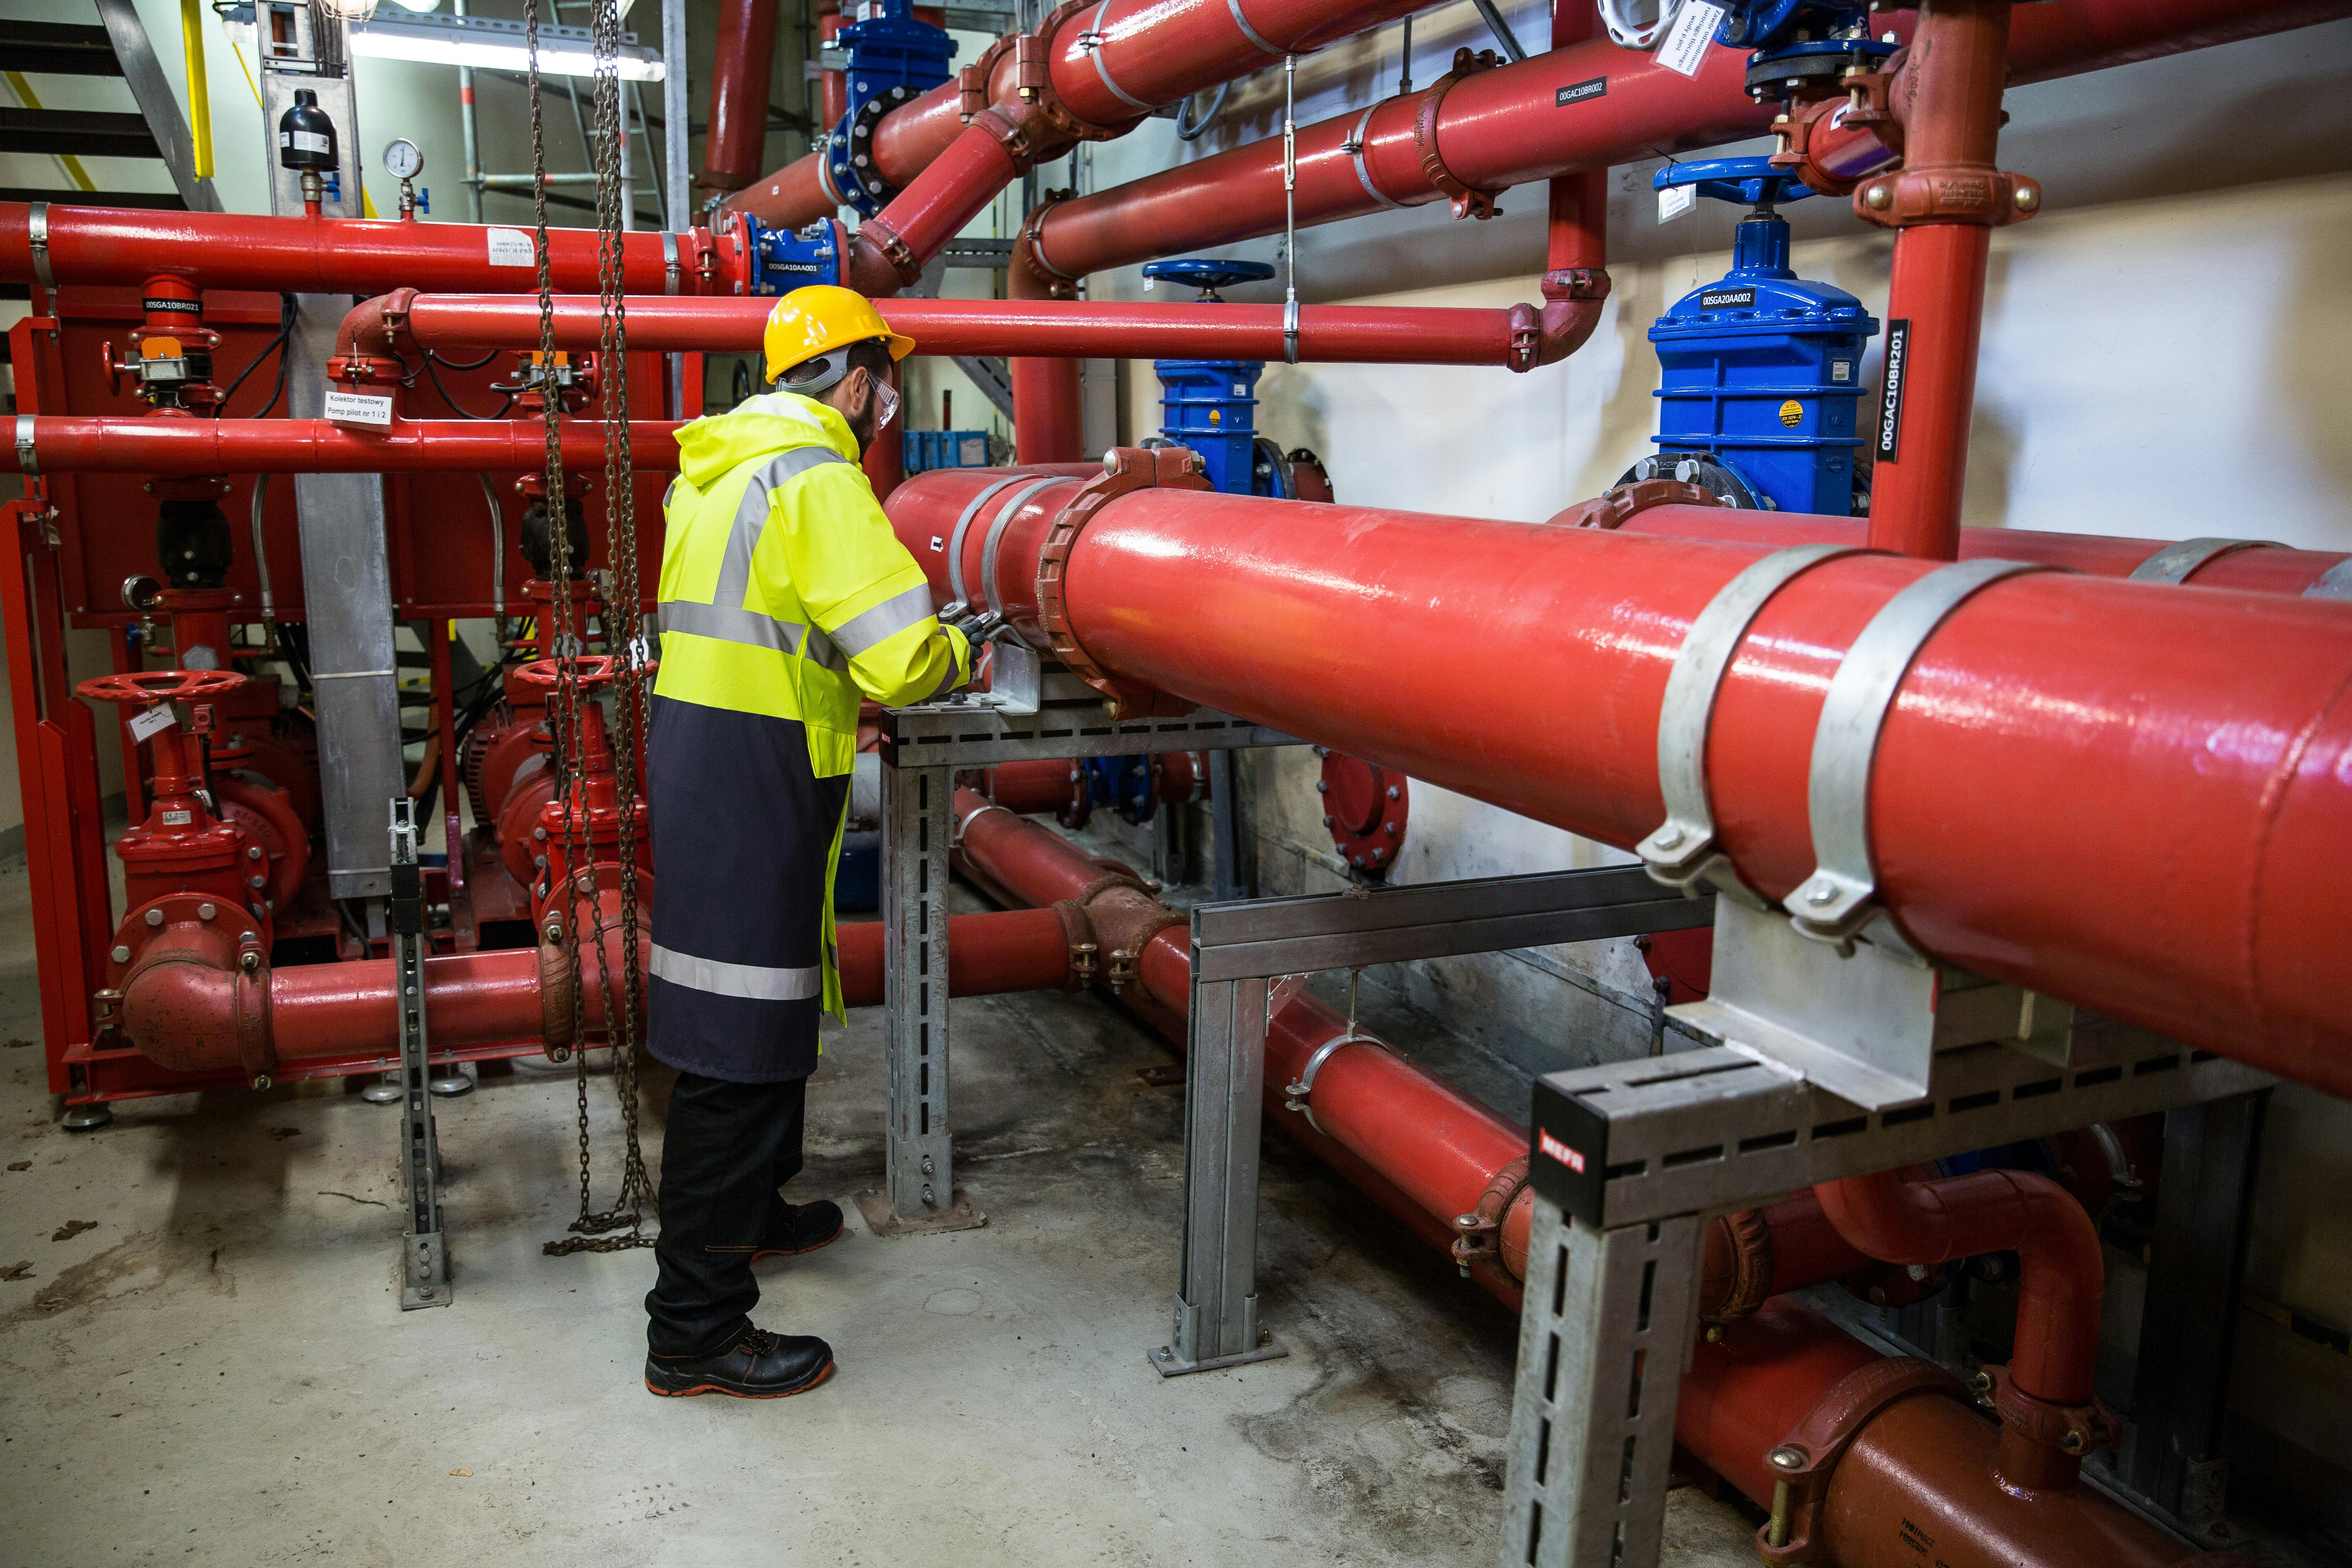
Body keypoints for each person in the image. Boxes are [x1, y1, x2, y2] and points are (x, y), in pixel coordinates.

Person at [639, 285, 970, 1399]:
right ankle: (692, 1329)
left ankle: (756, 1214)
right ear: (863, 380)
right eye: (890, 380)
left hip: (705, 756)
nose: (887, 401)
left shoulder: (717, 469)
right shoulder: (817, 477)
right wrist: (963, 653)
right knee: (733, 1050)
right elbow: (898, 660)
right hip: (757, 770)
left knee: (762, 1009)